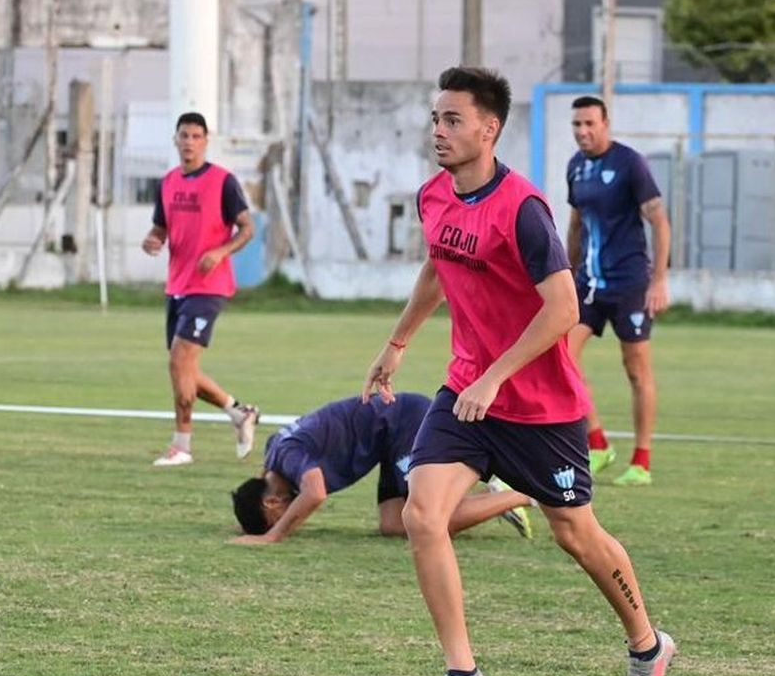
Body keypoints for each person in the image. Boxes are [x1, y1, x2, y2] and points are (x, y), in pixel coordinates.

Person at [363, 66, 675, 676]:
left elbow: (563, 308)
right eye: (435, 119)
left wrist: (496, 375)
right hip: (466, 391)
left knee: (576, 534)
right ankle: (462, 672)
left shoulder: (524, 209)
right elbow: (436, 268)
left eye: (453, 120)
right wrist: (397, 345)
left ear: (489, 128)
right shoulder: (433, 198)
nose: (440, 131)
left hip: (539, 406)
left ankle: (649, 645)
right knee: (423, 515)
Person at [227, 392, 535, 544]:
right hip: (387, 441)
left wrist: (273, 536)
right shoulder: (274, 456)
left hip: (404, 423)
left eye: (274, 518)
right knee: (394, 526)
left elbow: (315, 492)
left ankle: (524, 493)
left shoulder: (289, 455)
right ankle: (500, 494)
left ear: (271, 502)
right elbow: (258, 486)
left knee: (428, 521)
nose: (286, 519)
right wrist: (249, 518)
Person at [141, 111, 260, 467]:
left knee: (179, 361)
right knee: (184, 370)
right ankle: (239, 412)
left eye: (196, 136)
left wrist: (221, 252)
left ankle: (182, 445)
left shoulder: (223, 181)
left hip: (208, 287)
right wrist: (152, 239)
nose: (189, 142)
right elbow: (160, 228)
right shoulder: (168, 183)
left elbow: (247, 228)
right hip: (177, 284)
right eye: (184, 135)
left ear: (206, 141)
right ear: (175, 140)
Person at [564, 96, 671, 487]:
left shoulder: (630, 164)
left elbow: (659, 221)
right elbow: (576, 226)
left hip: (629, 284)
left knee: (636, 370)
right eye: (576, 125)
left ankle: (641, 461)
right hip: (589, 284)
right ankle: (597, 443)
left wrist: (659, 279)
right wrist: (565, 275)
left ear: (606, 123)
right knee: (562, 356)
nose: (582, 132)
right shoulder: (576, 167)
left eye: (590, 123)